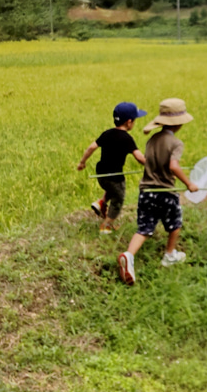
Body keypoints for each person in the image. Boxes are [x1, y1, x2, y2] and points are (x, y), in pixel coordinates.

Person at [118, 98, 198, 285]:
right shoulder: (176, 143)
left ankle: (129, 255)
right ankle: (169, 254)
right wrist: (188, 183)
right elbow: (173, 166)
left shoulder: (152, 140)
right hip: (165, 192)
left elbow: (148, 161)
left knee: (144, 228)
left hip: (146, 192)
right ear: (178, 123)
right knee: (175, 224)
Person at [77, 102, 147, 233]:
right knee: (118, 198)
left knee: (112, 190)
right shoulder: (127, 138)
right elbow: (139, 157)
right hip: (115, 176)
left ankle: (101, 203)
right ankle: (106, 225)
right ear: (129, 122)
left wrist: (82, 162)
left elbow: (92, 147)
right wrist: (152, 165)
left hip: (101, 174)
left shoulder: (107, 133)